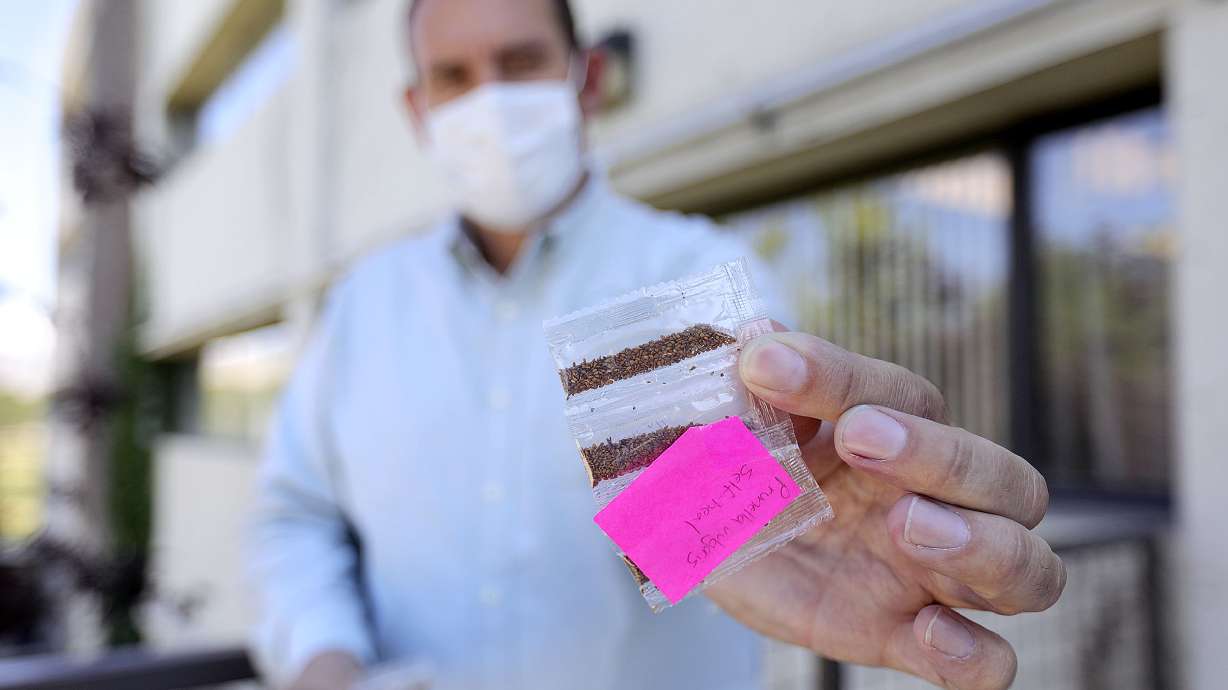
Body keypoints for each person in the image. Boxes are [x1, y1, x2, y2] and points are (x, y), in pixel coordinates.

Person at [248, 0, 1065, 689]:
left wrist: (787, 519)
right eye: (453, 77)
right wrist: (325, 660)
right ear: (417, 108)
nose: (487, 101)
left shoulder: (695, 278)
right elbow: (296, 514)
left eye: (521, 61)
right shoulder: (364, 307)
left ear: (589, 79)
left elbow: (744, 508)